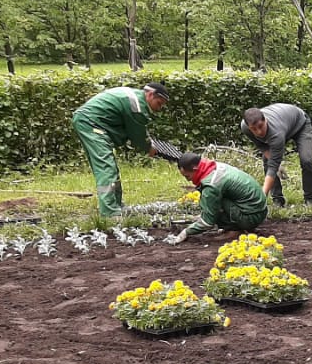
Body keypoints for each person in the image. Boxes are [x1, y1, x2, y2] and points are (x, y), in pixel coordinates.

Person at [71, 82, 169, 217]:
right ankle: (109, 212)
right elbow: (138, 135)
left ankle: (116, 205)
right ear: (150, 94)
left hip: (91, 121)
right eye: (159, 103)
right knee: (106, 167)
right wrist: (149, 148)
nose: (160, 108)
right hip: (91, 122)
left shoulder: (135, 98)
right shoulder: (137, 106)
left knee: (110, 166)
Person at [165, 152, 269, 244]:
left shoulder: (212, 184)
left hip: (252, 216)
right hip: (258, 209)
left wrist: (186, 232)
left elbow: (208, 222)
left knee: (213, 204)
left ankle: (233, 230)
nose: (188, 180)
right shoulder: (214, 167)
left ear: (195, 169)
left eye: (187, 176)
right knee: (211, 201)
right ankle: (234, 225)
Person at [240, 104, 312, 207]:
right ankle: (278, 201)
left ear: (265, 120)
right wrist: (275, 163)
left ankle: (310, 199)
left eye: (261, 126)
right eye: (254, 129)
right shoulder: (245, 128)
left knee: (306, 160)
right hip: (284, 122)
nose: (258, 132)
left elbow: (273, 166)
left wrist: (261, 197)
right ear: (249, 127)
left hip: (300, 123)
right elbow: (261, 146)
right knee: (267, 161)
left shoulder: (276, 133)